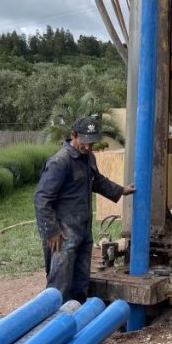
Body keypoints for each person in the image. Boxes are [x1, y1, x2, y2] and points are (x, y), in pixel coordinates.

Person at [34, 115, 136, 302]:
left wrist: (121, 190)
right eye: (85, 142)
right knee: (59, 285)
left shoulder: (88, 158)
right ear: (73, 135)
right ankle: (54, 325)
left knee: (81, 283)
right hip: (63, 235)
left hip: (83, 232)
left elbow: (97, 181)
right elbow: (41, 198)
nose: (88, 147)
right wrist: (51, 231)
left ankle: (77, 318)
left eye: (92, 143)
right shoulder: (60, 162)